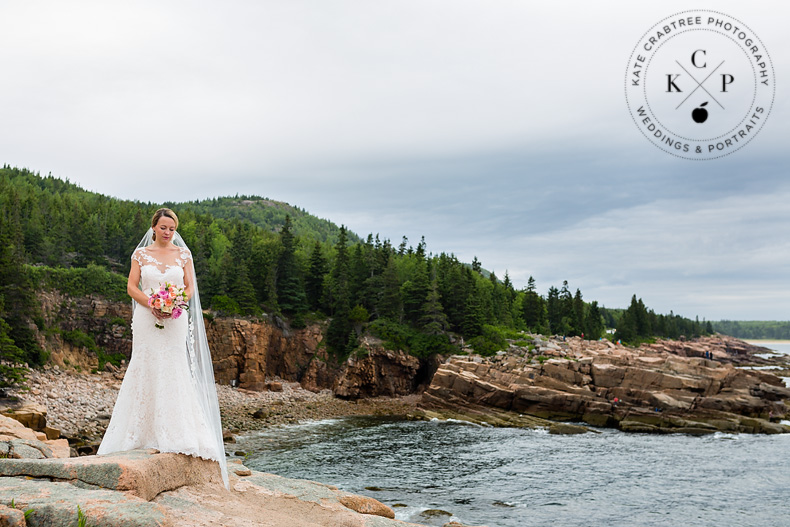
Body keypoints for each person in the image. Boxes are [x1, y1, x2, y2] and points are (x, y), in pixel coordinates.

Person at [97, 208, 229, 490]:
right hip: (146, 318)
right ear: (154, 227)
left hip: (175, 319)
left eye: (172, 228)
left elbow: (191, 287)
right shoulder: (140, 255)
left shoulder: (184, 255)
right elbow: (132, 287)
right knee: (145, 365)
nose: (168, 232)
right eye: (164, 227)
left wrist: (177, 301)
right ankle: (139, 433)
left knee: (173, 366)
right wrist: (153, 304)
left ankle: (175, 431)